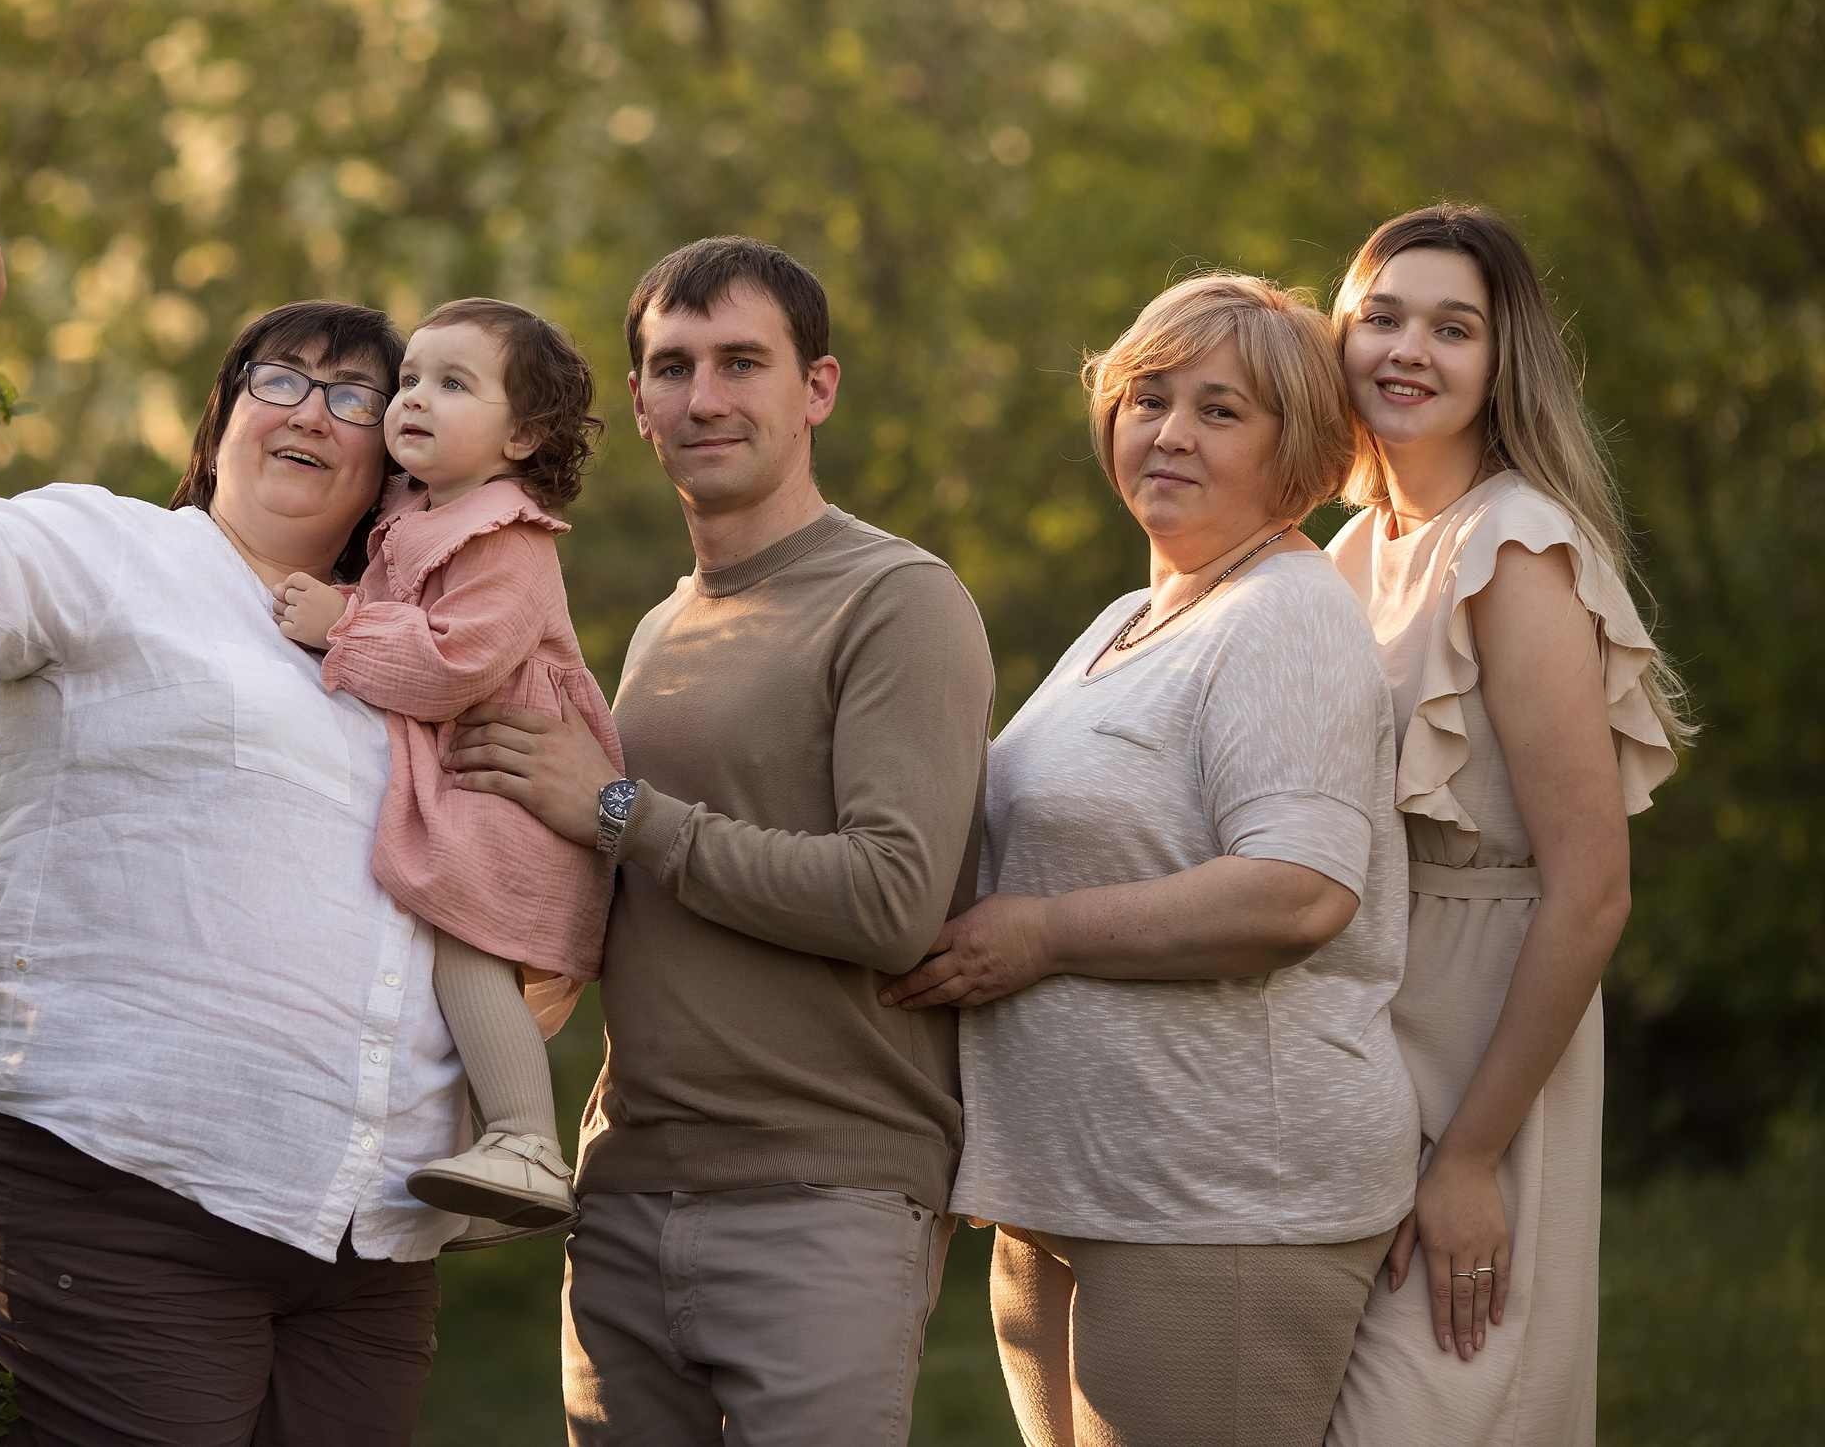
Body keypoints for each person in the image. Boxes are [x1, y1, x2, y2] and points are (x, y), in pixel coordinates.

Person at [0, 199, 468, 1446]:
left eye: (355, 399)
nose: (308, 410)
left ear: (395, 465)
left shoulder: (413, 663)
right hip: (118, 1176)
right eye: (279, 377)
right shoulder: (115, 551)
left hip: (366, 1231)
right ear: (224, 417)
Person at [445, 236, 995, 1444]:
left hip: (824, 1197)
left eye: (742, 362)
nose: (705, 397)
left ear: (818, 389)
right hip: (625, 1200)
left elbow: (892, 899)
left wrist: (618, 812)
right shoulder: (656, 632)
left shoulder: (897, 602)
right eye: (672, 366)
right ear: (636, 403)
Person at [886, 273, 1420, 1447]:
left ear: (1303, 451)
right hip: (1075, 1187)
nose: (1168, 430)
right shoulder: (1131, 618)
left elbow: (1297, 891)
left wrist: (1039, 934)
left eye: (1220, 410)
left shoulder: (1284, 611)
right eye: (1147, 396)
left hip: (1221, 1194)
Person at [1321, 206, 1683, 1446]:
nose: (1407, 348)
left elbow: (1591, 890)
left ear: (1498, 360)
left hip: (1485, 1039)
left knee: (1438, 1412)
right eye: (1381, 316)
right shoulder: (1355, 549)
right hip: (1361, 1033)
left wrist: (1471, 1158)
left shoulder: (1516, 547)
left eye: (1451, 327)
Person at [271, 298, 623, 1233]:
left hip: (510, 783)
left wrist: (340, 622)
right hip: (465, 779)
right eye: (412, 379)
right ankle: (483, 1160)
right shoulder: (412, 510)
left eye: (453, 384)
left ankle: (526, 1140)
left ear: (525, 434)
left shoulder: (509, 539)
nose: (414, 399)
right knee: (438, 959)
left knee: (470, 950)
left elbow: (453, 663)